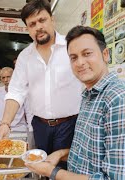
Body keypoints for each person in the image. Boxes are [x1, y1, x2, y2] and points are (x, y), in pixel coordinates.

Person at [26, 26, 125, 180]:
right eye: (73, 57)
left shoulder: (118, 99)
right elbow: (88, 153)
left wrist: (51, 172)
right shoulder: (87, 95)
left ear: (105, 55)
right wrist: (60, 154)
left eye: (87, 54)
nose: (80, 63)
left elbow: (114, 178)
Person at [0, 0, 83, 169]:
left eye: (42, 20)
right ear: (28, 29)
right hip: (40, 126)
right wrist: (5, 123)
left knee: (68, 170)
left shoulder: (71, 47)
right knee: (40, 168)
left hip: (70, 125)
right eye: (32, 24)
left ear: (52, 19)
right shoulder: (25, 57)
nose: (38, 27)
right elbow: (16, 92)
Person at [0, 67, 33, 132]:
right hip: (1, 129)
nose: (6, 80)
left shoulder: (22, 91)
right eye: (3, 78)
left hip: (19, 129)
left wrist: (31, 130)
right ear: (1, 79)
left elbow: (29, 112)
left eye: (8, 77)